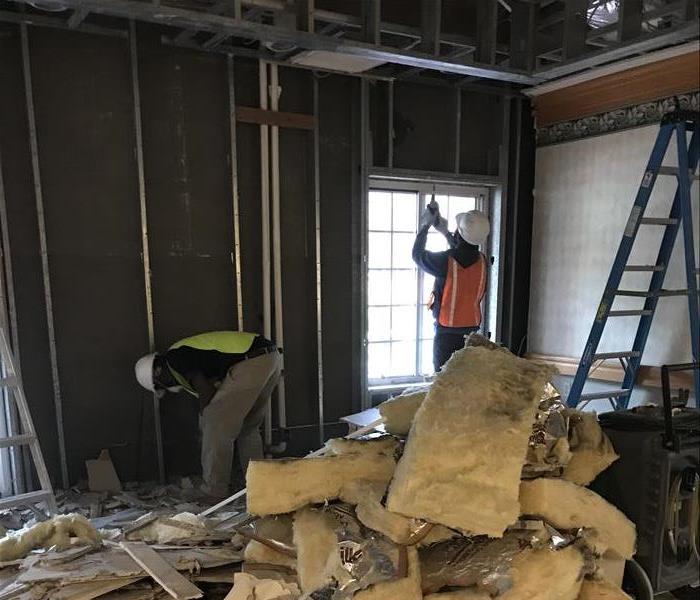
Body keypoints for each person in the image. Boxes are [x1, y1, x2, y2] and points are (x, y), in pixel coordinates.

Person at [134, 331, 281, 498]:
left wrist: (205, 422)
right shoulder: (189, 355)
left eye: (160, 386)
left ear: (158, 372)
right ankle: (261, 485)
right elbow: (216, 388)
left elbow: (206, 392)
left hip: (250, 362)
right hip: (269, 358)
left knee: (215, 423)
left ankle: (214, 490)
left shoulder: (174, 358)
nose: (167, 388)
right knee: (248, 428)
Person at [413, 202, 490, 371]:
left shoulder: (447, 261)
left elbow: (417, 255)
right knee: (465, 382)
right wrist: (445, 232)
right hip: (472, 336)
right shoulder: (483, 262)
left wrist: (425, 226)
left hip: (447, 335)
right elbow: (465, 251)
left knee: (443, 383)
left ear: (459, 234)